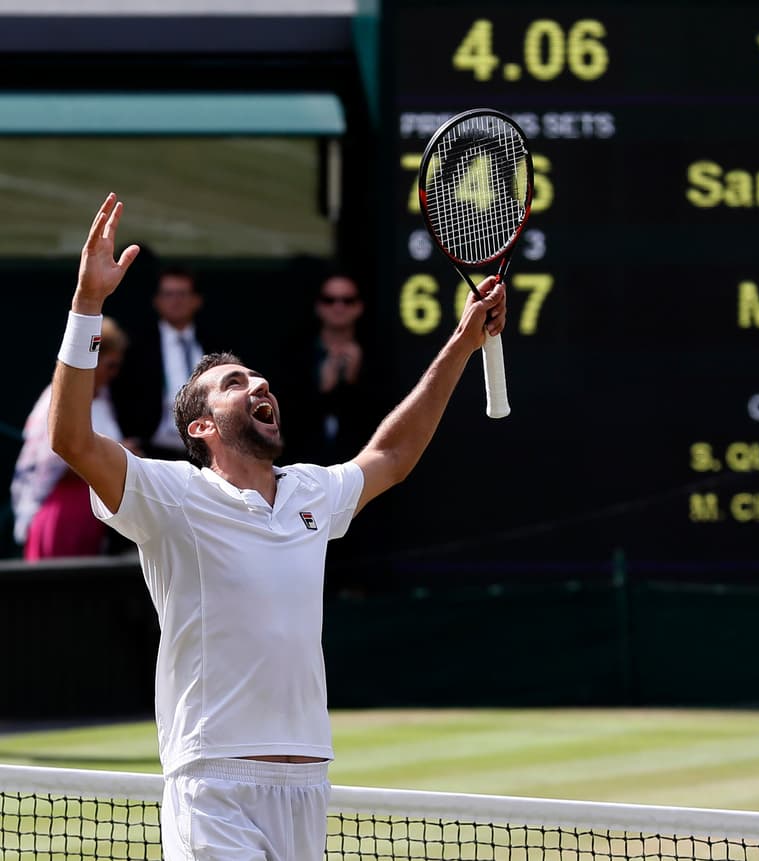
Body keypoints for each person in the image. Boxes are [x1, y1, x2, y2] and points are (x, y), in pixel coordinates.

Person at [49, 194, 506, 860]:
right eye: (236, 383)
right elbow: (71, 438)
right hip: (213, 782)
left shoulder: (311, 491)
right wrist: (88, 303)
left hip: (305, 783)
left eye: (260, 378)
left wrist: (462, 342)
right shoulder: (169, 493)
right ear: (202, 426)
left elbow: (392, 455)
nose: (260, 385)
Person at [11, 317, 133, 559]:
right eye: (110, 365)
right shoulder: (59, 400)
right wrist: (118, 456)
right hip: (61, 515)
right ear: (93, 361)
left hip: (93, 517)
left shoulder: (104, 399)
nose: (114, 373)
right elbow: (60, 457)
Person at [111, 263, 221, 459]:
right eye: (168, 294)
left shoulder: (214, 343)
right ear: (157, 301)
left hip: (207, 450)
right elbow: (120, 394)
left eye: (182, 294)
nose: (175, 301)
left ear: (196, 300)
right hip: (152, 451)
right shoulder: (137, 346)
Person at [283, 271, 377, 465]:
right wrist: (323, 389)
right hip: (303, 464)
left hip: (361, 465)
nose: (338, 307)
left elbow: (383, 417)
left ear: (359, 307)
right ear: (318, 306)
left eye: (348, 301)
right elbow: (286, 420)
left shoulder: (378, 355)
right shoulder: (294, 355)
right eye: (329, 300)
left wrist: (352, 382)